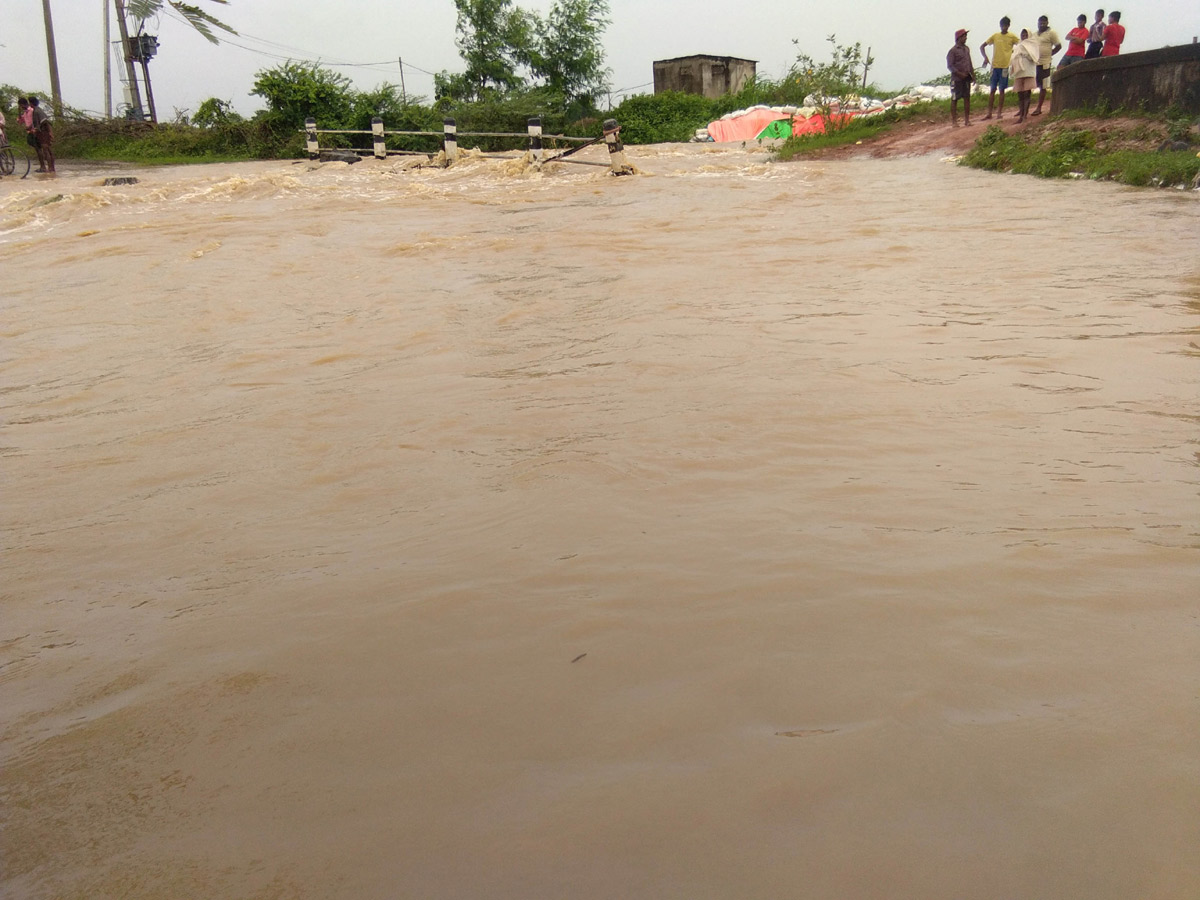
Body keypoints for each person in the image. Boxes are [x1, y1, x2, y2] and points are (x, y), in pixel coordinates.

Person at [980, 17, 1020, 120]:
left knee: (1002, 90)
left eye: (1005, 25)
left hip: (1005, 67)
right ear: (1000, 25)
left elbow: (1021, 46)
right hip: (995, 66)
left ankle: (999, 113)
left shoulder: (1012, 37)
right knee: (992, 89)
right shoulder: (995, 36)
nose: (1004, 27)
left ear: (1008, 26)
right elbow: (982, 46)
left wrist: (1014, 55)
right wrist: (985, 57)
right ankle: (989, 113)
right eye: (1002, 25)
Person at [1031, 15, 1062, 115]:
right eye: (1040, 22)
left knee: (1043, 86)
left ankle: (1039, 107)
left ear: (1047, 23)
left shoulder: (1051, 33)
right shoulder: (1034, 34)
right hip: (1035, 63)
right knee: (1033, 84)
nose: (1042, 24)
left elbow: (1058, 46)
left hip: (1045, 63)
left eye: (1044, 23)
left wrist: (1050, 53)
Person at [1009, 29, 1040, 123]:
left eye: (1026, 34)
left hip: (1029, 71)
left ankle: (1024, 116)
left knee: (1027, 93)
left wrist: (1024, 55)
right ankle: (1021, 115)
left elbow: (1034, 57)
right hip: (1019, 72)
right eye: (1022, 34)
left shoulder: (1033, 44)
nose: (1024, 36)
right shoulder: (1018, 45)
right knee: (1020, 94)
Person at [947, 28, 975, 127]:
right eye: (964, 36)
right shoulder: (953, 51)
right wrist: (959, 74)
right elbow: (950, 66)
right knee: (955, 99)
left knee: (967, 98)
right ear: (959, 38)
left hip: (966, 78)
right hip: (957, 79)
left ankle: (967, 120)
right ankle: (954, 121)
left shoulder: (966, 49)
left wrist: (973, 74)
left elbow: (969, 62)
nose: (966, 38)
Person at [29, 97, 55, 173]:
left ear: (31, 103)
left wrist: (50, 133)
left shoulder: (37, 111)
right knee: (47, 150)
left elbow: (46, 122)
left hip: (43, 133)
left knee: (46, 150)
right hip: (41, 132)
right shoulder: (36, 110)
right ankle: (51, 168)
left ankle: (51, 168)